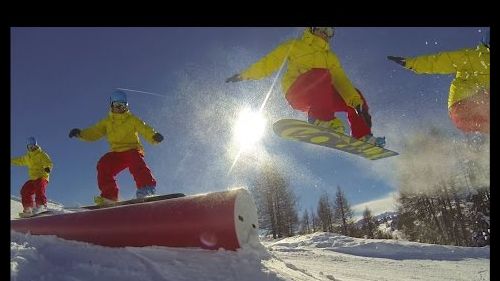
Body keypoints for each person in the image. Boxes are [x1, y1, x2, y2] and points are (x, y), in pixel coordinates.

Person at [226, 27, 385, 147]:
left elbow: (342, 81)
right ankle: (320, 119)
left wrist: (355, 102)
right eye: (323, 28)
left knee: (355, 94)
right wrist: (245, 74)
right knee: (321, 74)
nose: (326, 33)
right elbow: (269, 62)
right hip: (297, 92)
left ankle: (363, 135)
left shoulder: (331, 57)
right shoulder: (295, 45)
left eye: (330, 30)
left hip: (321, 97)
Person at [69, 90, 164, 205]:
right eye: (116, 105)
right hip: (117, 154)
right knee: (104, 164)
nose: (119, 108)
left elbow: (144, 128)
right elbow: (94, 132)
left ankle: (146, 189)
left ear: (126, 106)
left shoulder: (132, 119)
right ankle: (110, 196)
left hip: (132, 149)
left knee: (136, 163)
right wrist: (81, 134)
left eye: (122, 105)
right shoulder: (107, 122)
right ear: (111, 105)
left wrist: (153, 136)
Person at [387, 31, 490, 134]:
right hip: (463, 105)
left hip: (466, 113)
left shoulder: (472, 56)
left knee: (482, 125)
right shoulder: (471, 57)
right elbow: (438, 62)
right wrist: (411, 63)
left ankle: (472, 146)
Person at [11, 137, 53, 215]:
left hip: (42, 177)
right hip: (33, 179)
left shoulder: (41, 154)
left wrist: (47, 167)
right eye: (30, 146)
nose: (31, 148)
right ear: (27, 147)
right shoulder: (27, 157)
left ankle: (41, 206)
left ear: (36, 145)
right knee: (25, 190)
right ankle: (28, 208)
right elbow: (19, 160)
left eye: (33, 146)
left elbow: (48, 162)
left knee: (39, 187)